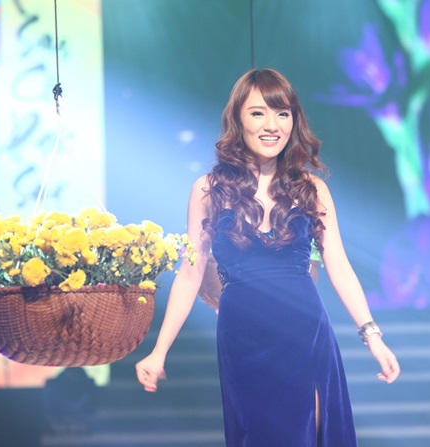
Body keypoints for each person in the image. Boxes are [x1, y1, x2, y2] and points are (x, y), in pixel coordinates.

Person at [135, 68, 400, 446]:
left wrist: (372, 336)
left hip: (305, 332)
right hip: (243, 337)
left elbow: (339, 265)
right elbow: (190, 274)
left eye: (282, 113)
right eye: (258, 112)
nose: (272, 125)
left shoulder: (311, 189)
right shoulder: (209, 190)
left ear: (294, 121)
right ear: (237, 119)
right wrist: (158, 351)